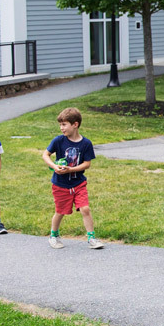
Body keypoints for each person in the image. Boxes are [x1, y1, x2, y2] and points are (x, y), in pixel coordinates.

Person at [42, 106, 103, 250]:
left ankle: (91, 238)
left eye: (64, 124)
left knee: (85, 209)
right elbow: (45, 155)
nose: (61, 128)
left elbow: (87, 164)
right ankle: (54, 235)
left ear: (75, 124)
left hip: (79, 183)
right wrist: (55, 166)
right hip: (60, 184)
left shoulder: (86, 143)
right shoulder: (58, 141)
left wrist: (71, 170)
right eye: (60, 125)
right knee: (60, 211)